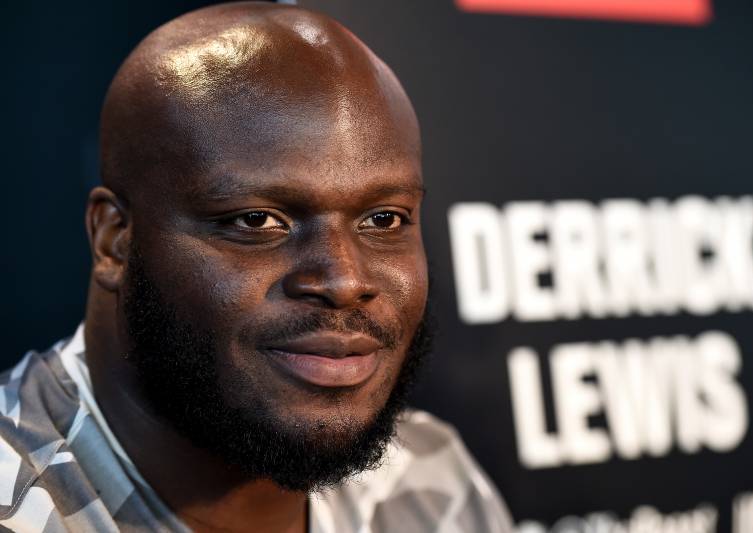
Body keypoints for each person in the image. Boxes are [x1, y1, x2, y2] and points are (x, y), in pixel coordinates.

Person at [0, 2, 514, 532]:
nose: (343, 281)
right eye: (257, 220)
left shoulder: (429, 481)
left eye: (384, 218)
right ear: (114, 240)